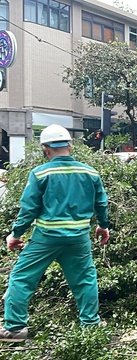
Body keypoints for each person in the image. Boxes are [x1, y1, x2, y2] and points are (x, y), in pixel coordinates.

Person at [1, 124, 110, 342]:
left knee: (22, 278)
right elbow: (101, 203)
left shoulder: (41, 173)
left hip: (46, 238)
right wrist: (103, 226)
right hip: (78, 238)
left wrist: (15, 235)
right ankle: (90, 324)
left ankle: (15, 329)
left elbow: (29, 209)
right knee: (85, 280)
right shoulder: (90, 172)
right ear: (70, 146)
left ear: (46, 149)